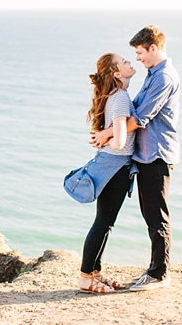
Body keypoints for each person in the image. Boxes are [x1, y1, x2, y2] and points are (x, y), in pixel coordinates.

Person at [91, 25, 180, 291]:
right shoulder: (154, 74)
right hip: (146, 155)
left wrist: (107, 133)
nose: (138, 58)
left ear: (154, 48)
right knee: (150, 213)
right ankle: (154, 270)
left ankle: (159, 275)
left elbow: (141, 118)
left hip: (157, 154)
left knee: (157, 215)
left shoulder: (164, 77)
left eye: (140, 52)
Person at [77, 52, 137, 294]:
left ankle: (94, 273)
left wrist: (105, 134)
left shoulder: (113, 95)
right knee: (103, 223)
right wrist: (110, 136)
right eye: (124, 62)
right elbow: (120, 142)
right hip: (115, 166)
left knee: (105, 222)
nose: (130, 62)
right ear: (116, 73)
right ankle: (84, 277)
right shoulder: (120, 97)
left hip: (109, 165)